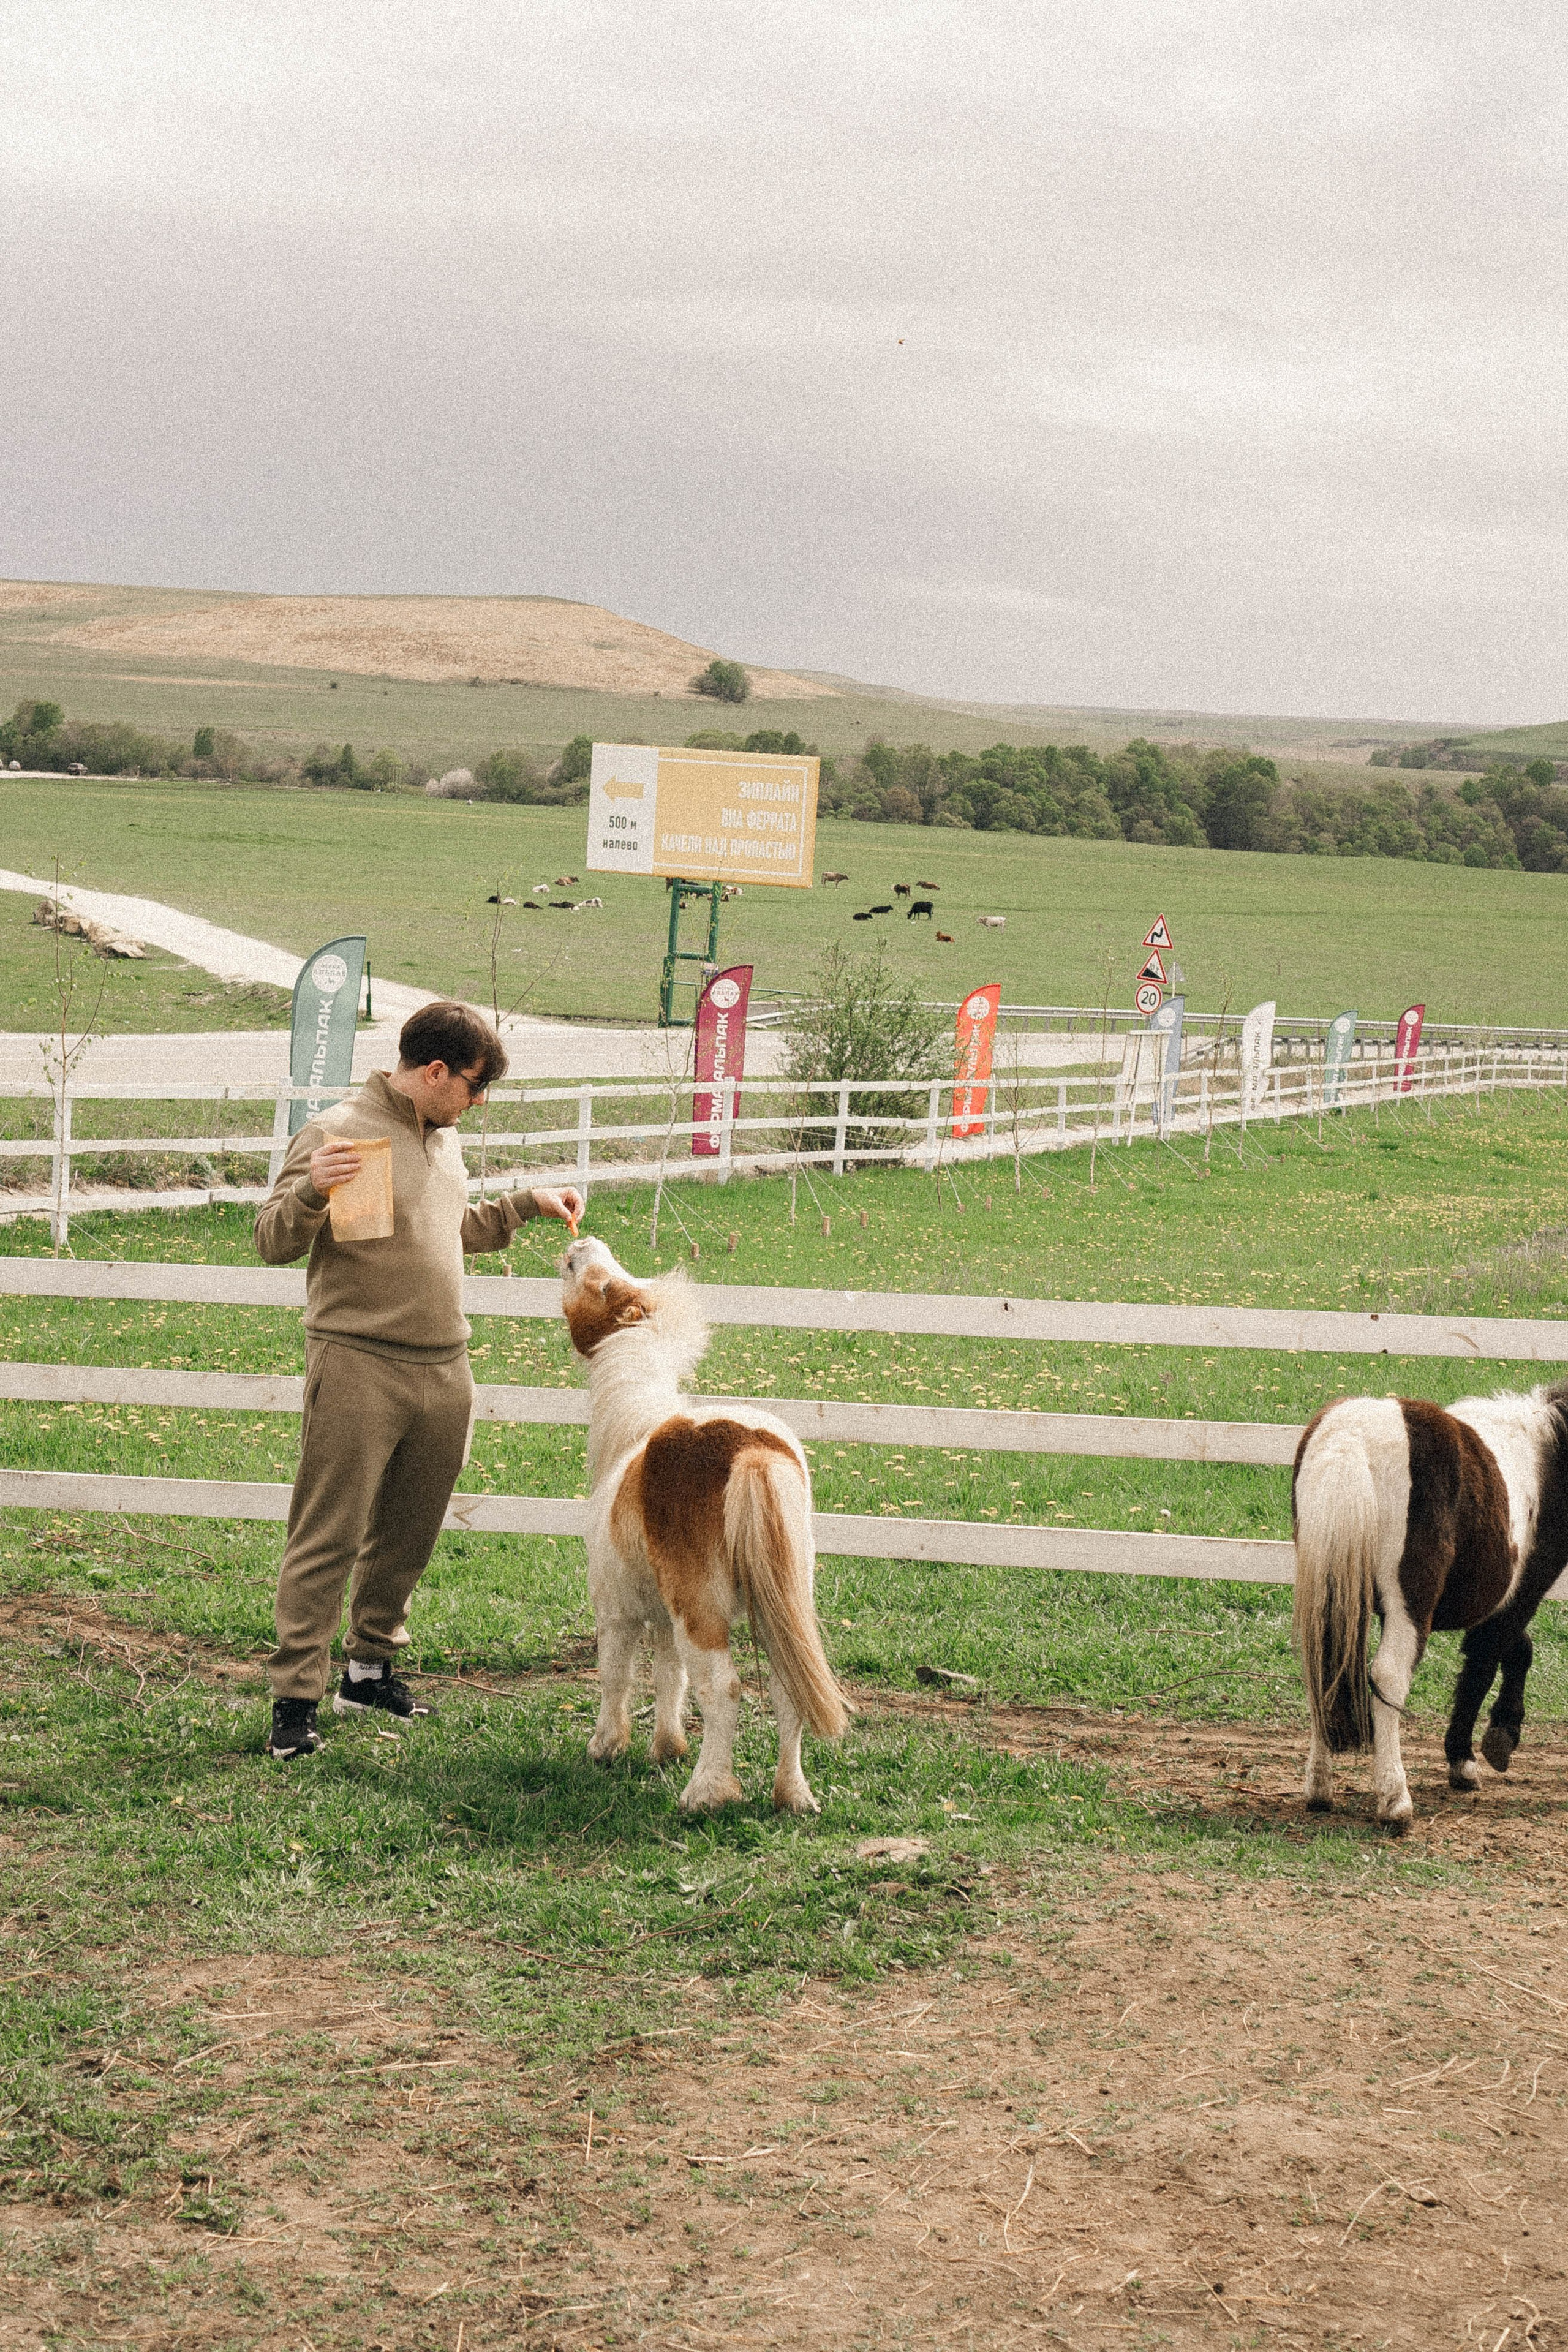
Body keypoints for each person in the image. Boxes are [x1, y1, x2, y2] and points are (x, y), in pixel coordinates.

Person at [254, 1000, 582, 1760]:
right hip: (359, 1364)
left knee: (408, 1532)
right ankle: (295, 1701)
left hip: (445, 1367)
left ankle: (368, 1671)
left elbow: (446, 1230)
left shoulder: (443, 1140)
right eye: (474, 1085)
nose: (479, 1101)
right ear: (434, 1072)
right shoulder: (341, 1134)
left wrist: (524, 1207)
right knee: (326, 1536)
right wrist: (308, 1193)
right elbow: (271, 1239)